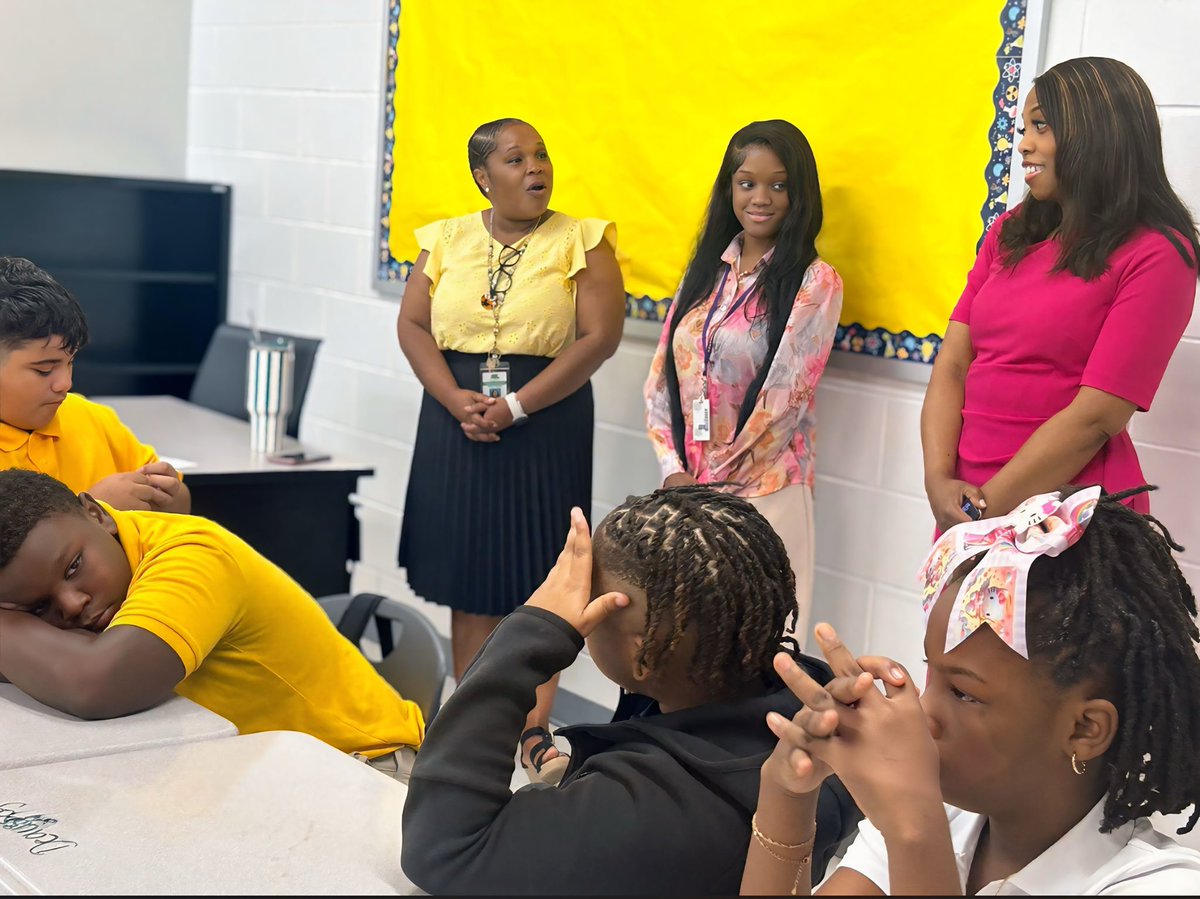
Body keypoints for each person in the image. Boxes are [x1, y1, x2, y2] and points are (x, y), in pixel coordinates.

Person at [401, 486, 861, 896]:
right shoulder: (818, 710)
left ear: (645, 655)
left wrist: (534, 629)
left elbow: (443, 846)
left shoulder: (643, 809)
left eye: (590, 597)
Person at [742, 484, 1200, 895]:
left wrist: (914, 830)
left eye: (963, 693)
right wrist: (786, 794)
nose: (924, 713)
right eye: (931, 675)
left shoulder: (1163, 886)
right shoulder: (944, 820)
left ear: (1084, 728)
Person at [395, 117, 625, 784]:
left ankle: (532, 734)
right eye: (516, 158)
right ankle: (472, 725)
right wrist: (451, 397)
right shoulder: (444, 239)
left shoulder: (584, 240)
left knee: (537, 578)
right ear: (483, 177)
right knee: (468, 580)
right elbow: (412, 324)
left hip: (544, 423)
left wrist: (518, 405)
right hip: (455, 418)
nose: (536, 168)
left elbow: (600, 338)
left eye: (541, 155)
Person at [921, 57, 1199, 535]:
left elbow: (1097, 417)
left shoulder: (1159, 252)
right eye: (1024, 128)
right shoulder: (1010, 231)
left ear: (1096, 134)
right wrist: (938, 481)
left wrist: (983, 518)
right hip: (968, 505)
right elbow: (953, 363)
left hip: (1068, 516)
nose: (1023, 144)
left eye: (1041, 126)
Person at [0, 469, 425, 778]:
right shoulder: (96, 559)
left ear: (97, 514)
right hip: (251, 770)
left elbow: (97, 684)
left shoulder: (193, 555)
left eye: (74, 567)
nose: (72, 605)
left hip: (367, 769)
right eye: (39, 607)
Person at [644, 120, 843, 642]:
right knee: (693, 645)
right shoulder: (706, 272)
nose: (761, 198)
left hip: (766, 492)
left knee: (760, 645)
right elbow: (661, 380)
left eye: (779, 185)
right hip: (690, 491)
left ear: (799, 194)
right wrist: (673, 470)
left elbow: (783, 402)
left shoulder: (815, 281)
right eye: (747, 183)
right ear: (728, 188)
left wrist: (712, 488)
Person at [0, 257, 191, 513]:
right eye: (44, 370)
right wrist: (91, 508)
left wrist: (168, 492)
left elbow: (180, 507)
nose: (65, 384)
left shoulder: (93, 419)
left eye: (70, 362)